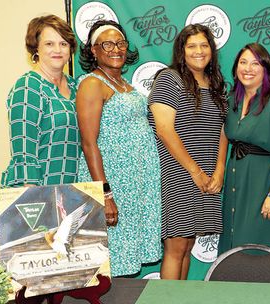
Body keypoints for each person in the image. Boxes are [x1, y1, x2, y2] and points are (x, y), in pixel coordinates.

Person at [76, 20, 162, 277]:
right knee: (108, 265)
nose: (116, 49)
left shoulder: (124, 84)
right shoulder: (92, 84)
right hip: (114, 185)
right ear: (94, 51)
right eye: (107, 44)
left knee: (123, 264)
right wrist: (105, 194)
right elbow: (89, 143)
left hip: (134, 187)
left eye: (121, 43)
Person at [148, 24, 228, 280]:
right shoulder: (169, 78)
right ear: (181, 51)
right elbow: (164, 129)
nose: (199, 51)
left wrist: (219, 170)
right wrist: (194, 171)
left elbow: (224, 130)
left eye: (204, 45)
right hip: (177, 171)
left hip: (205, 173)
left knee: (188, 244)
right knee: (176, 245)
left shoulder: (215, 84)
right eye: (192, 45)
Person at [217, 43, 270, 259]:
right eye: (243, 62)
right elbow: (225, 135)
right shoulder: (232, 101)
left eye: (255, 63)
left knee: (261, 245)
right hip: (236, 183)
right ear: (235, 68)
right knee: (234, 245)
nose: (248, 68)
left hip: (264, 184)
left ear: (266, 69)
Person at [1, 15, 78, 187]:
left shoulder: (76, 86)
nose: (57, 50)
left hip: (73, 192)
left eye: (63, 44)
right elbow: (23, 150)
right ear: (36, 48)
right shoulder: (28, 86)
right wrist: (32, 196)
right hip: (38, 190)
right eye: (49, 44)